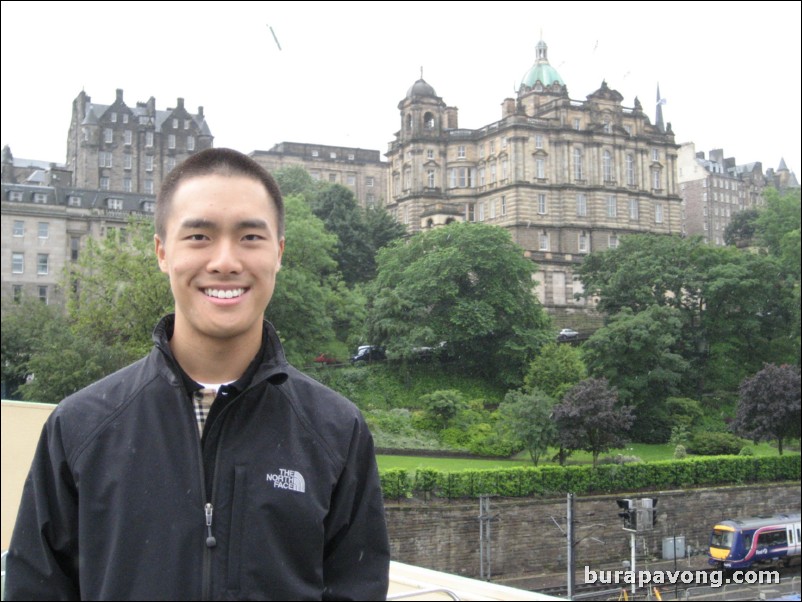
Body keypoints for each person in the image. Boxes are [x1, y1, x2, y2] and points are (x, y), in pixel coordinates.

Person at [5, 148, 390, 600]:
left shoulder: (336, 430)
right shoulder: (79, 427)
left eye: (250, 237)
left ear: (279, 253)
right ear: (162, 252)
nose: (225, 260)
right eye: (199, 237)